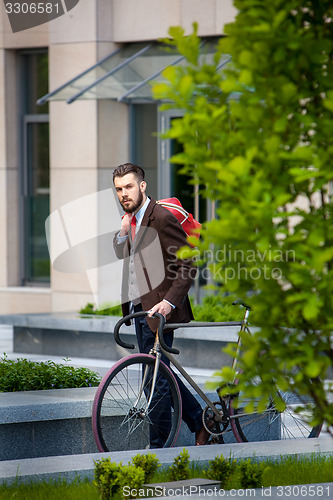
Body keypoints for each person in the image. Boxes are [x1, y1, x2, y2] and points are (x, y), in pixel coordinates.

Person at [113, 162, 212, 447]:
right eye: (119, 189)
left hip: (159, 310)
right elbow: (123, 254)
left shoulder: (161, 217)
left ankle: (159, 447)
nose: (124, 194)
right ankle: (199, 419)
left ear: (142, 186)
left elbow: (187, 264)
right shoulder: (130, 219)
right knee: (159, 374)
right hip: (139, 309)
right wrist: (122, 232)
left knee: (153, 381)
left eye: (129, 187)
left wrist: (169, 302)